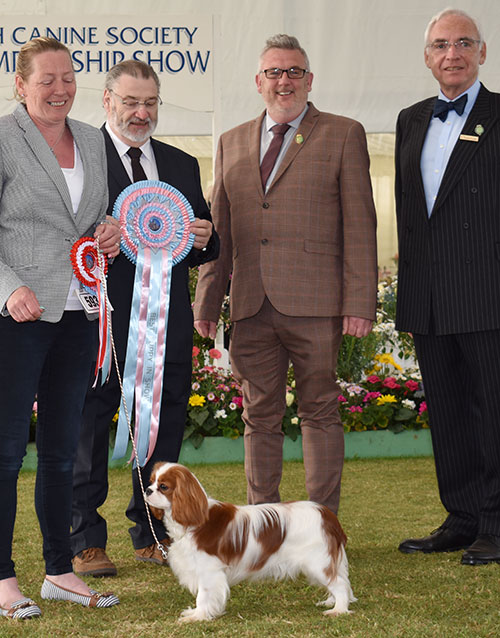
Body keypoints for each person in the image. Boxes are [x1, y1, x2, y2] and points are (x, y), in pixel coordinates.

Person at [193, 34, 377, 515]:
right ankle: (263, 523)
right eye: (274, 72)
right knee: (259, 417)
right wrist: (208, 303)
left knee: (319, 412)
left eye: (294, 71)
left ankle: (321, 526)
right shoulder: (230, 141)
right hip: (252, 306)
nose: (284, 80)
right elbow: (221, 230)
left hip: (317, 304)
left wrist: (359, 303)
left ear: (309, 80)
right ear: (258, 81)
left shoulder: (343, 133)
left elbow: (360, 223)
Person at [71, 60, 219, 577]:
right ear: (107, 100)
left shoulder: (181, 163)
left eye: (150, 103)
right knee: (90, 425)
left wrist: (203, 236)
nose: (141, 113)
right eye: (130, 102)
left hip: (168, 326)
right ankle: (86, 539)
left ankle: (152, 532)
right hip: (103, 323)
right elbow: (65, 233)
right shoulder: (80, 155)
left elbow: (206, 240)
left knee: (163, 426)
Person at [0, 37, 121, 620]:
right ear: (21, 86)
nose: (59, 89)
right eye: (46, 79)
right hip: (16, 315)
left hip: (80, 313)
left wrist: (110, 235)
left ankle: (59, 571)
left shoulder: (95, 141)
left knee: (60, 454)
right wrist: (8, 289)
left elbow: (95, 217)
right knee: (3, 453)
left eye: (68, 78)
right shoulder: (3, 138)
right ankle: (2, 580)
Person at [395, 8, 500, 566]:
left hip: (487, 294)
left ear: (482, 52)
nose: (452, 54)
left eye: (464, 43)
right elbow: (408, 211)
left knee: (493, 410)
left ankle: (496, 523)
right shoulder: (411, 118)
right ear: (428, 56)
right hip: (430, 298)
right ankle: (462, 518)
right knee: (451, 413)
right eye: (441, 44)